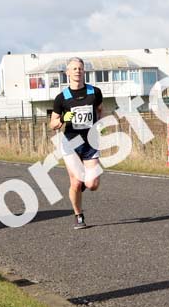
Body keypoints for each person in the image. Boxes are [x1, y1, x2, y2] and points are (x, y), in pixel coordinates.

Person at [50, 57, 104, 229]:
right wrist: (63, 119)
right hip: (71, 144)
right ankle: (78, 215)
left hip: (90, 142)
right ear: (67, 73)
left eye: (80, 68)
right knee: (76, 182)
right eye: (74, 69)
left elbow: (100, 109)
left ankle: (80, 188)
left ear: (84, 71)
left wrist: (99, 124)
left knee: (92, 184)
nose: (77, 71)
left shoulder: (94, 92)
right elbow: (53, 124)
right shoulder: (61, 98)